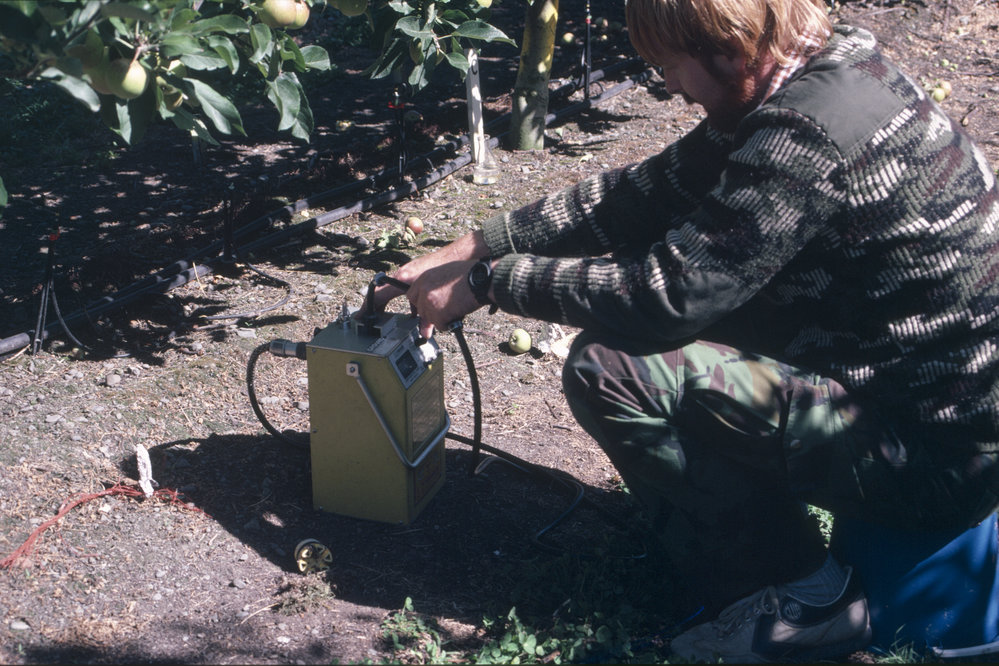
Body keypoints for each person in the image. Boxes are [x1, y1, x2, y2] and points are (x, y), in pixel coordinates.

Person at [372, 0, 999, 661]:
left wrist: (488, 283)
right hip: (935, 413)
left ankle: (798, 598)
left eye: (668, 65)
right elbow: (645, 193)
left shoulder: (805, 131)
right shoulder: (831, 67)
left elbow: (667, 296)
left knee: (613, 366)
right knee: (711, 305)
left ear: (726, 48)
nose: (665, 85)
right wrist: (473, 246)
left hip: (935, 462)